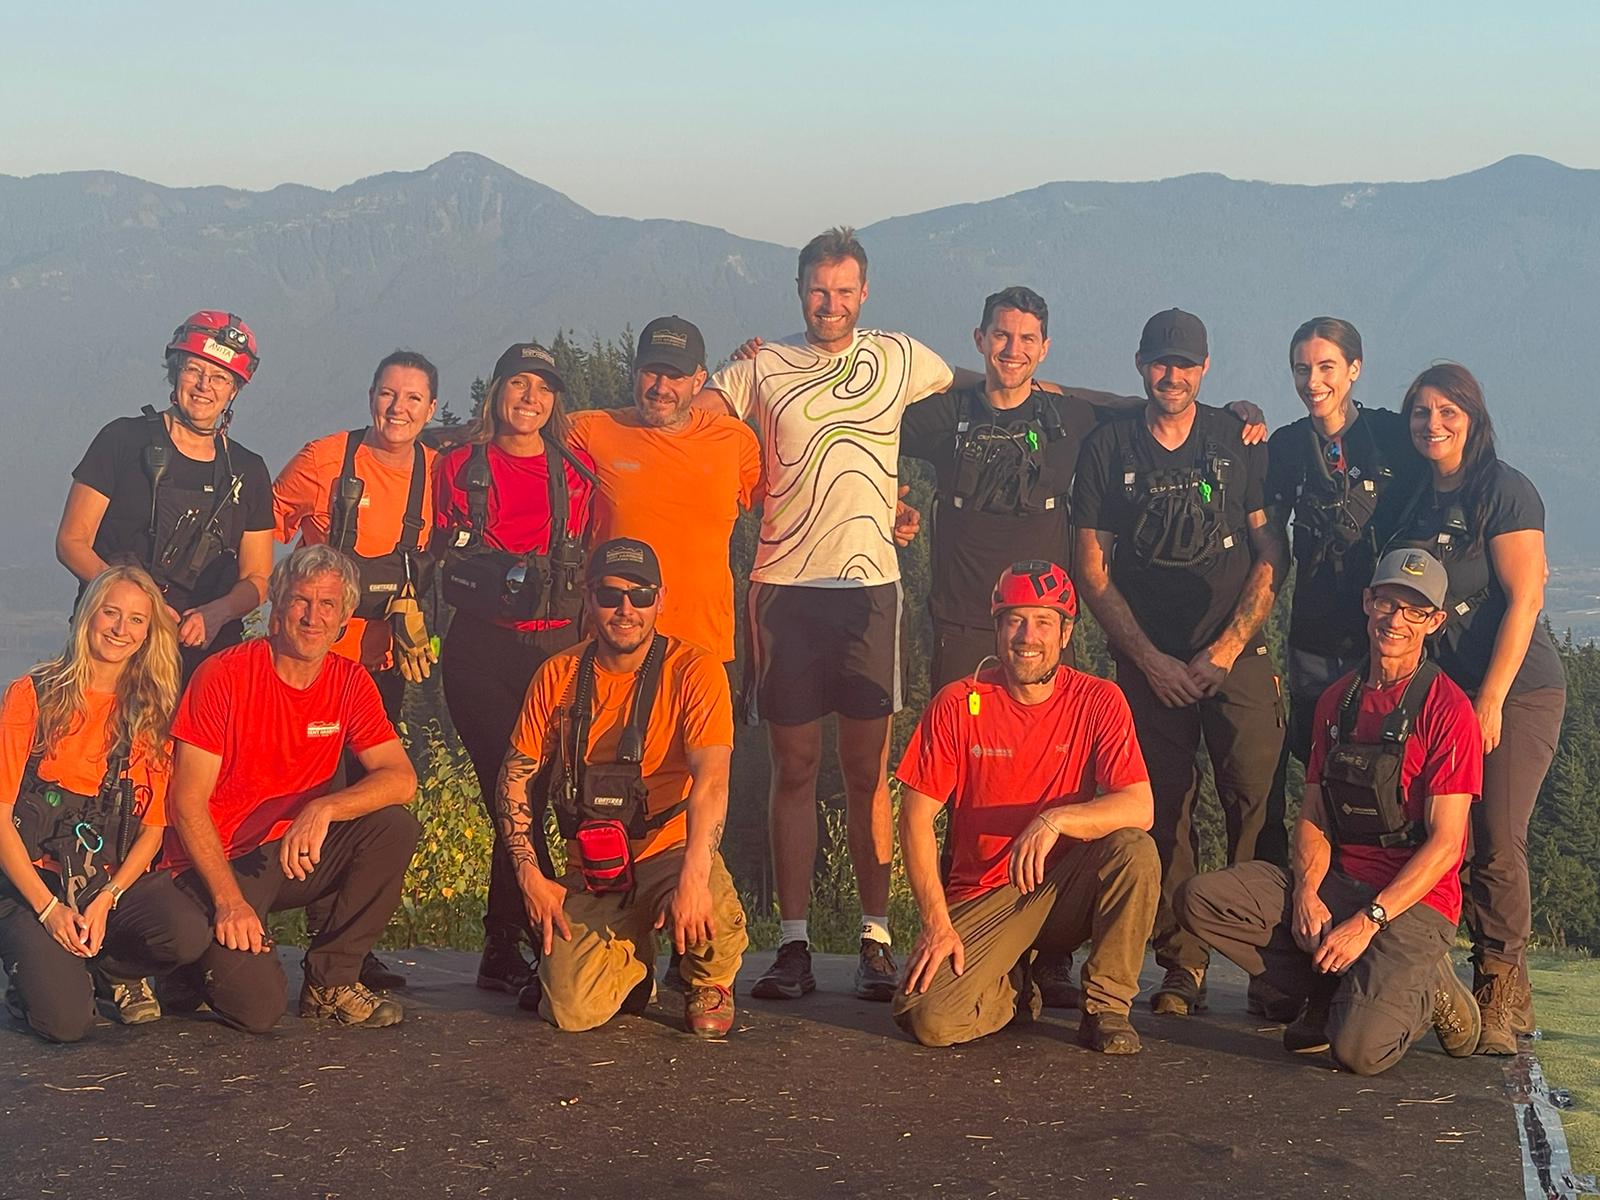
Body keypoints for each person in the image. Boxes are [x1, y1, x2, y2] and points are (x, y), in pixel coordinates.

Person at [698, 227, 956, 1002]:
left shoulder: (901, 356)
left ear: (865, 292)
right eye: (818, 289)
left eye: (845, 290)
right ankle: (795, 943)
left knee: (868, 772)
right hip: (784, 589)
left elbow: (983, 392)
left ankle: (876, 938)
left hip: (870, 589)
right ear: (798, 289)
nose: (831, 304)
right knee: (796, 770)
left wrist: (896, 502)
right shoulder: (761, 366)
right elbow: (689, 413)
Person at [1177, 548, 1483, 1076]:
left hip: (1415, 902)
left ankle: (1427, 988)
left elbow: (1446, 845)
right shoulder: (1336, 702)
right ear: (1368, 603)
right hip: (1341, 882)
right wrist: (1306, 893)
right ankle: (1336, 988)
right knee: (1202, 900)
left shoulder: (1449, 709)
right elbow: (1315, 811)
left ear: (1434, 621)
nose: (1395, 621)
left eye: (1414, 611)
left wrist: (1369, 922)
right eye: (1387, 602)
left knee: (1357, 1053)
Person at [1073, 308, 1289, 1017]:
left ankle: (1269, 964)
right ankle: (1182, 963)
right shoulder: (1109, 449)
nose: (1172, 375)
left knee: (1254, 801)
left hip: (1239, 654)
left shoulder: (1237, 440)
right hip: (1147, 662)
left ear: (1205, 369)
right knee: (1161, 807)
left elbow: (1269, 555)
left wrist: (1224, 652)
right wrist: (1150, 660)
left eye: (1186, 364)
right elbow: (1092, 566)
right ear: (1140, 365)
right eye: (1161, 362)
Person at [893, 560, 1158, 1052]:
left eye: (1043, 621)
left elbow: (1139, 806)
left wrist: (1055, 818)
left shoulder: (1099, 700)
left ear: (1065, 632)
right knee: (927, 1018)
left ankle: (1106, 1008)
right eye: (1014, 619)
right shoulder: (959, 702)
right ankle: (1012, 986)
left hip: (1066, 887)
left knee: (1134, 850)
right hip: (987, 891)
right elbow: (915, 818)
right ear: (996, 629)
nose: (1026, 635)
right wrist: (936, 923)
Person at [157, 545, 421, 1032]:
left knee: (393, 828)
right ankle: (184, 965)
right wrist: (229, 902)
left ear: (344, 619)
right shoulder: (224, 675)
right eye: (301, 601)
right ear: (276, 610)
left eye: (328, 606)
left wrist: (324, 808)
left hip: (286, 855)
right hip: (217, 861)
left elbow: (401, 779)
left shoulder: (349, 680)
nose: (313, 617)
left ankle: (331, 982)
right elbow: (186, 803)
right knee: (259, 1009)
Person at [1384, 363, 1566, 1053]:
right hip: (1442, 694)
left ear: (1473, 416)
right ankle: (1426, 975)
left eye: (1447, 412)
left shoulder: (1504, 490)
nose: (1432, 425)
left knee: (1495, 834)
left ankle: (1499, 989)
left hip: (1516, 689)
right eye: (1420, 413)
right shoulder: (1414, 499)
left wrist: (1490, 697)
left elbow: (1525, 600)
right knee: (1433, 831)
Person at [495, 538, 745, 1037]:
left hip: (668, 854)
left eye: (641, 595)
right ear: (588, 599)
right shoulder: (559, 676)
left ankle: (709, 978)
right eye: (610, 596)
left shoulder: (695, 670)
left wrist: (693, 877)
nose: (625, 610)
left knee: (706, 899)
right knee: (570, 1011)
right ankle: (632, 967)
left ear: (662, 598)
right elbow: (515, 778)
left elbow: (712, 779)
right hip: (593, 865)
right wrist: (529, 874)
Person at [1259, 318, 1422, 1016]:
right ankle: (1301, 940)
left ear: (1355, 368)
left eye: (1326, 367)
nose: (1313, 381)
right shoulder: (1287, 447)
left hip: (1377, 642)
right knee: (1316, 782)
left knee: (1385, 787)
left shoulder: (1390, 436)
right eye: (1301, 368)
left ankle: (1384, 935)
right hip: (1310, 641)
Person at [273, 348, 441, 992]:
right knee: (312, 787)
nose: (397, 409)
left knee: (362, 798)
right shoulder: (324, 460)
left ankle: (346, 942)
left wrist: (413, 603)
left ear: (429, 410)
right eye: (387, 394)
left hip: (379, 665)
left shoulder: (436, 472)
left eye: (412, 399)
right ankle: (315, 933)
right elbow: (265, 524)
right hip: (313, 662)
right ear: (370, 394)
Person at [434, 342, 595, 997]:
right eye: (518, 384)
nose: (529, 398)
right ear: (496, 390)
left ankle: (506, 943)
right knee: (514, 784)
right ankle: (537, 933)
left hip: (555, 652)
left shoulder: (577, 474)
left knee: (532, 789)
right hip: (478, 650)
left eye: (543, 388)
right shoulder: (456, 467)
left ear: (555, 401)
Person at [0, 566, 207, 1042]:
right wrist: (50, 910)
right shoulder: (30, 697)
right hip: (34, 880)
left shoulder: (152, 713)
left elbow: (153, 829)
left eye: (136, 620)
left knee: (186, 933)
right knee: (66, 1024)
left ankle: (110, 970)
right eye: (110, 613)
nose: (120, 629)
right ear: (87, 615)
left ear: (149, 633)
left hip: (104, 882)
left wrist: (108, 898)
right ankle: (35, 975)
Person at [56, 311, 274, 678]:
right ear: (175, 373)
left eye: (220, 377)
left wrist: (217, 612)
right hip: (114, 645)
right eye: (194, 370)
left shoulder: (248, 470)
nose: (205, 385)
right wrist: (137, 604)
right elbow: (72, 541)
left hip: (205, 655)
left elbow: (257, 578)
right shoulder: (123, 441)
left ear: (234, 390)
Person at [566, 317, 761, 665]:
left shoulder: (734, 440)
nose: (660, 386)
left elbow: (791, 501)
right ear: (634, 371)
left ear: (699, 380)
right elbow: (512, 437)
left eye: (675, 376)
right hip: (615, 646)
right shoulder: (591, 431)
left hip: (704, 651)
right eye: (651, 372)